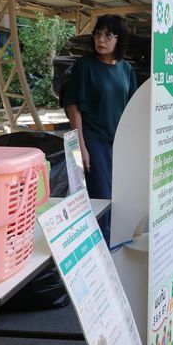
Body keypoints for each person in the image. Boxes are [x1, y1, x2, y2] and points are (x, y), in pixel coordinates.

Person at [63, 15, 137, 245]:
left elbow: (131, 109)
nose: (101, 39)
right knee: (102, 198)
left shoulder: (126, 69)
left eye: (108, 35)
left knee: (120, 198)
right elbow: (73, 106)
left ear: (119, 38)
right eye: (97, 33)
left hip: (120, 143)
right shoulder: (85, 66)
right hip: (94, 141)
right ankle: (103, 249)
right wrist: (81, 147)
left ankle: (116, 245)